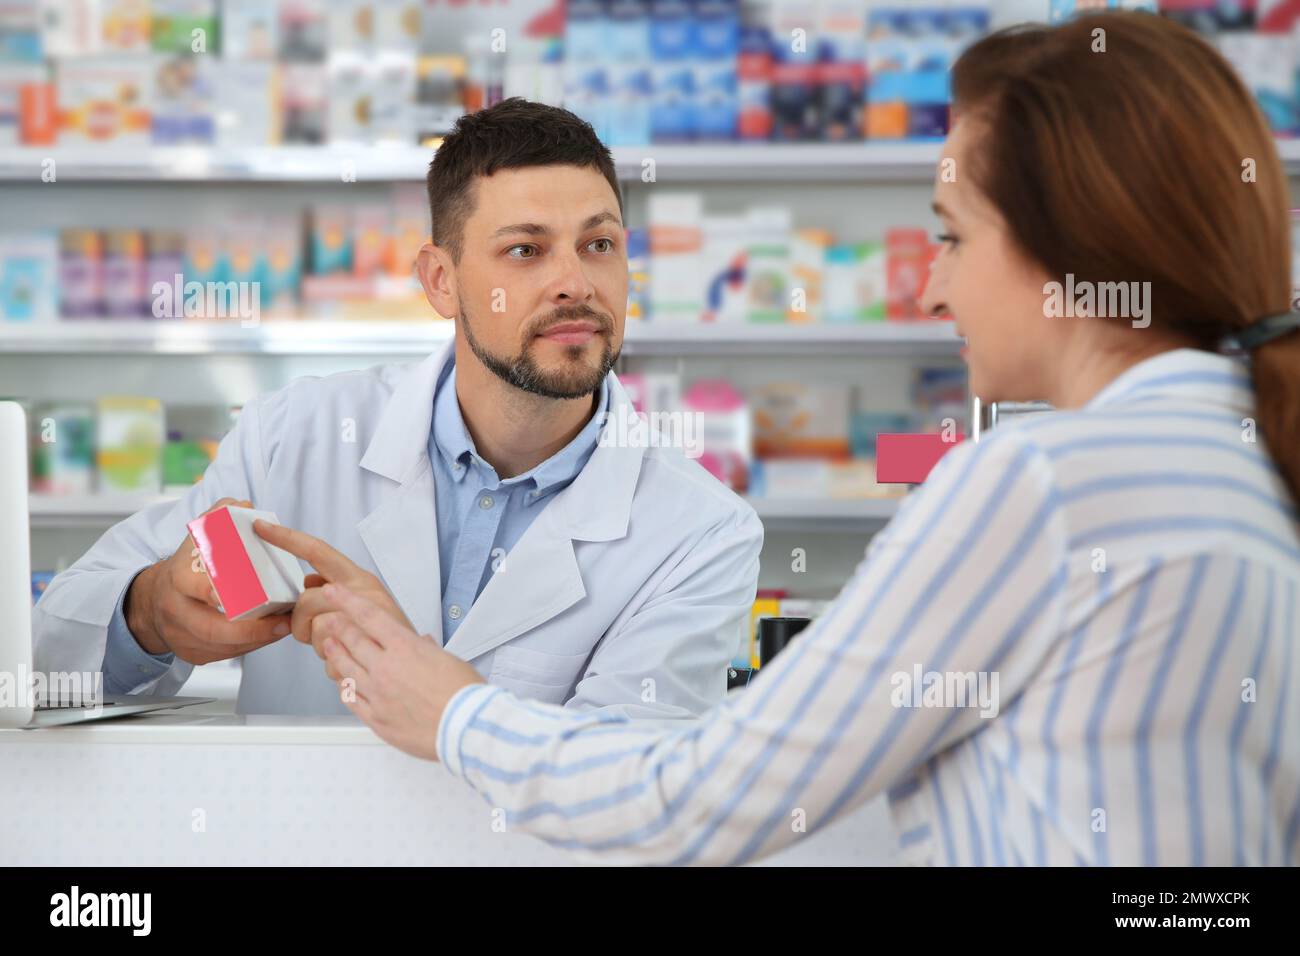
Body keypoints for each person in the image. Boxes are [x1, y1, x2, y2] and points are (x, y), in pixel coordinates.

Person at [305, 12, 1300, 865]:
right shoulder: (1253, 460)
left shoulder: (1040, 484)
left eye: (950, 235)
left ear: (1074, 246)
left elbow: (705, 796)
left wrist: (454, 711)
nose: (929, 286)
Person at [32, 99, 763, 719]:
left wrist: (413, 676)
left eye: (597, 244)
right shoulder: (292, 439)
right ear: (440, 281)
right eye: (525, 251)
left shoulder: (700, 531)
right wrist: (152, 612)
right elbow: (38, 659)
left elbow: (624, 791)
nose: (574, 281)